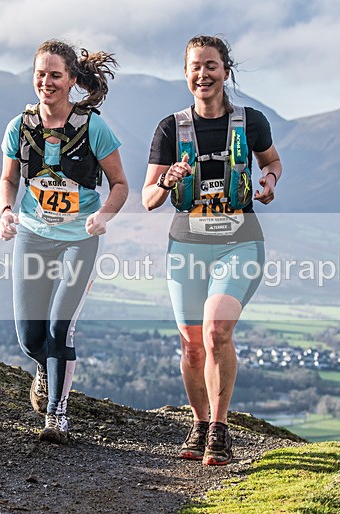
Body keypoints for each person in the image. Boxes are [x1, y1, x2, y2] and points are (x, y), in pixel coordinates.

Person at [142, 35, 282, 466]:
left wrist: (270, 182)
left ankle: (220, 430)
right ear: (186, 74)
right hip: (187, 245)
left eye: (211, 66)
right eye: (195, 67)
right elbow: (148, 198)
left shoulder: (251, 121)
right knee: (191, 346)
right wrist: (168, 180)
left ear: (225, 70)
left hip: (239, 241)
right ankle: (200, 423)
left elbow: (271, 162)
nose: (203, 74)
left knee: (217, 331)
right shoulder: (171, 128)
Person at [0, 39, 129, 444]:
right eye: (41, 74)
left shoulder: (93, 127)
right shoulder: (20, 126)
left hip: (78, 240)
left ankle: (57, 415)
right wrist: (5, 211)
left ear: (72, 79)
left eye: (55, 75)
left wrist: (103, 215)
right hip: (34, 238)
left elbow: (120, 184)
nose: (47, 82)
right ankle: (46, 369)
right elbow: (9, 178)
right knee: (29, 338)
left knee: (59, 328)